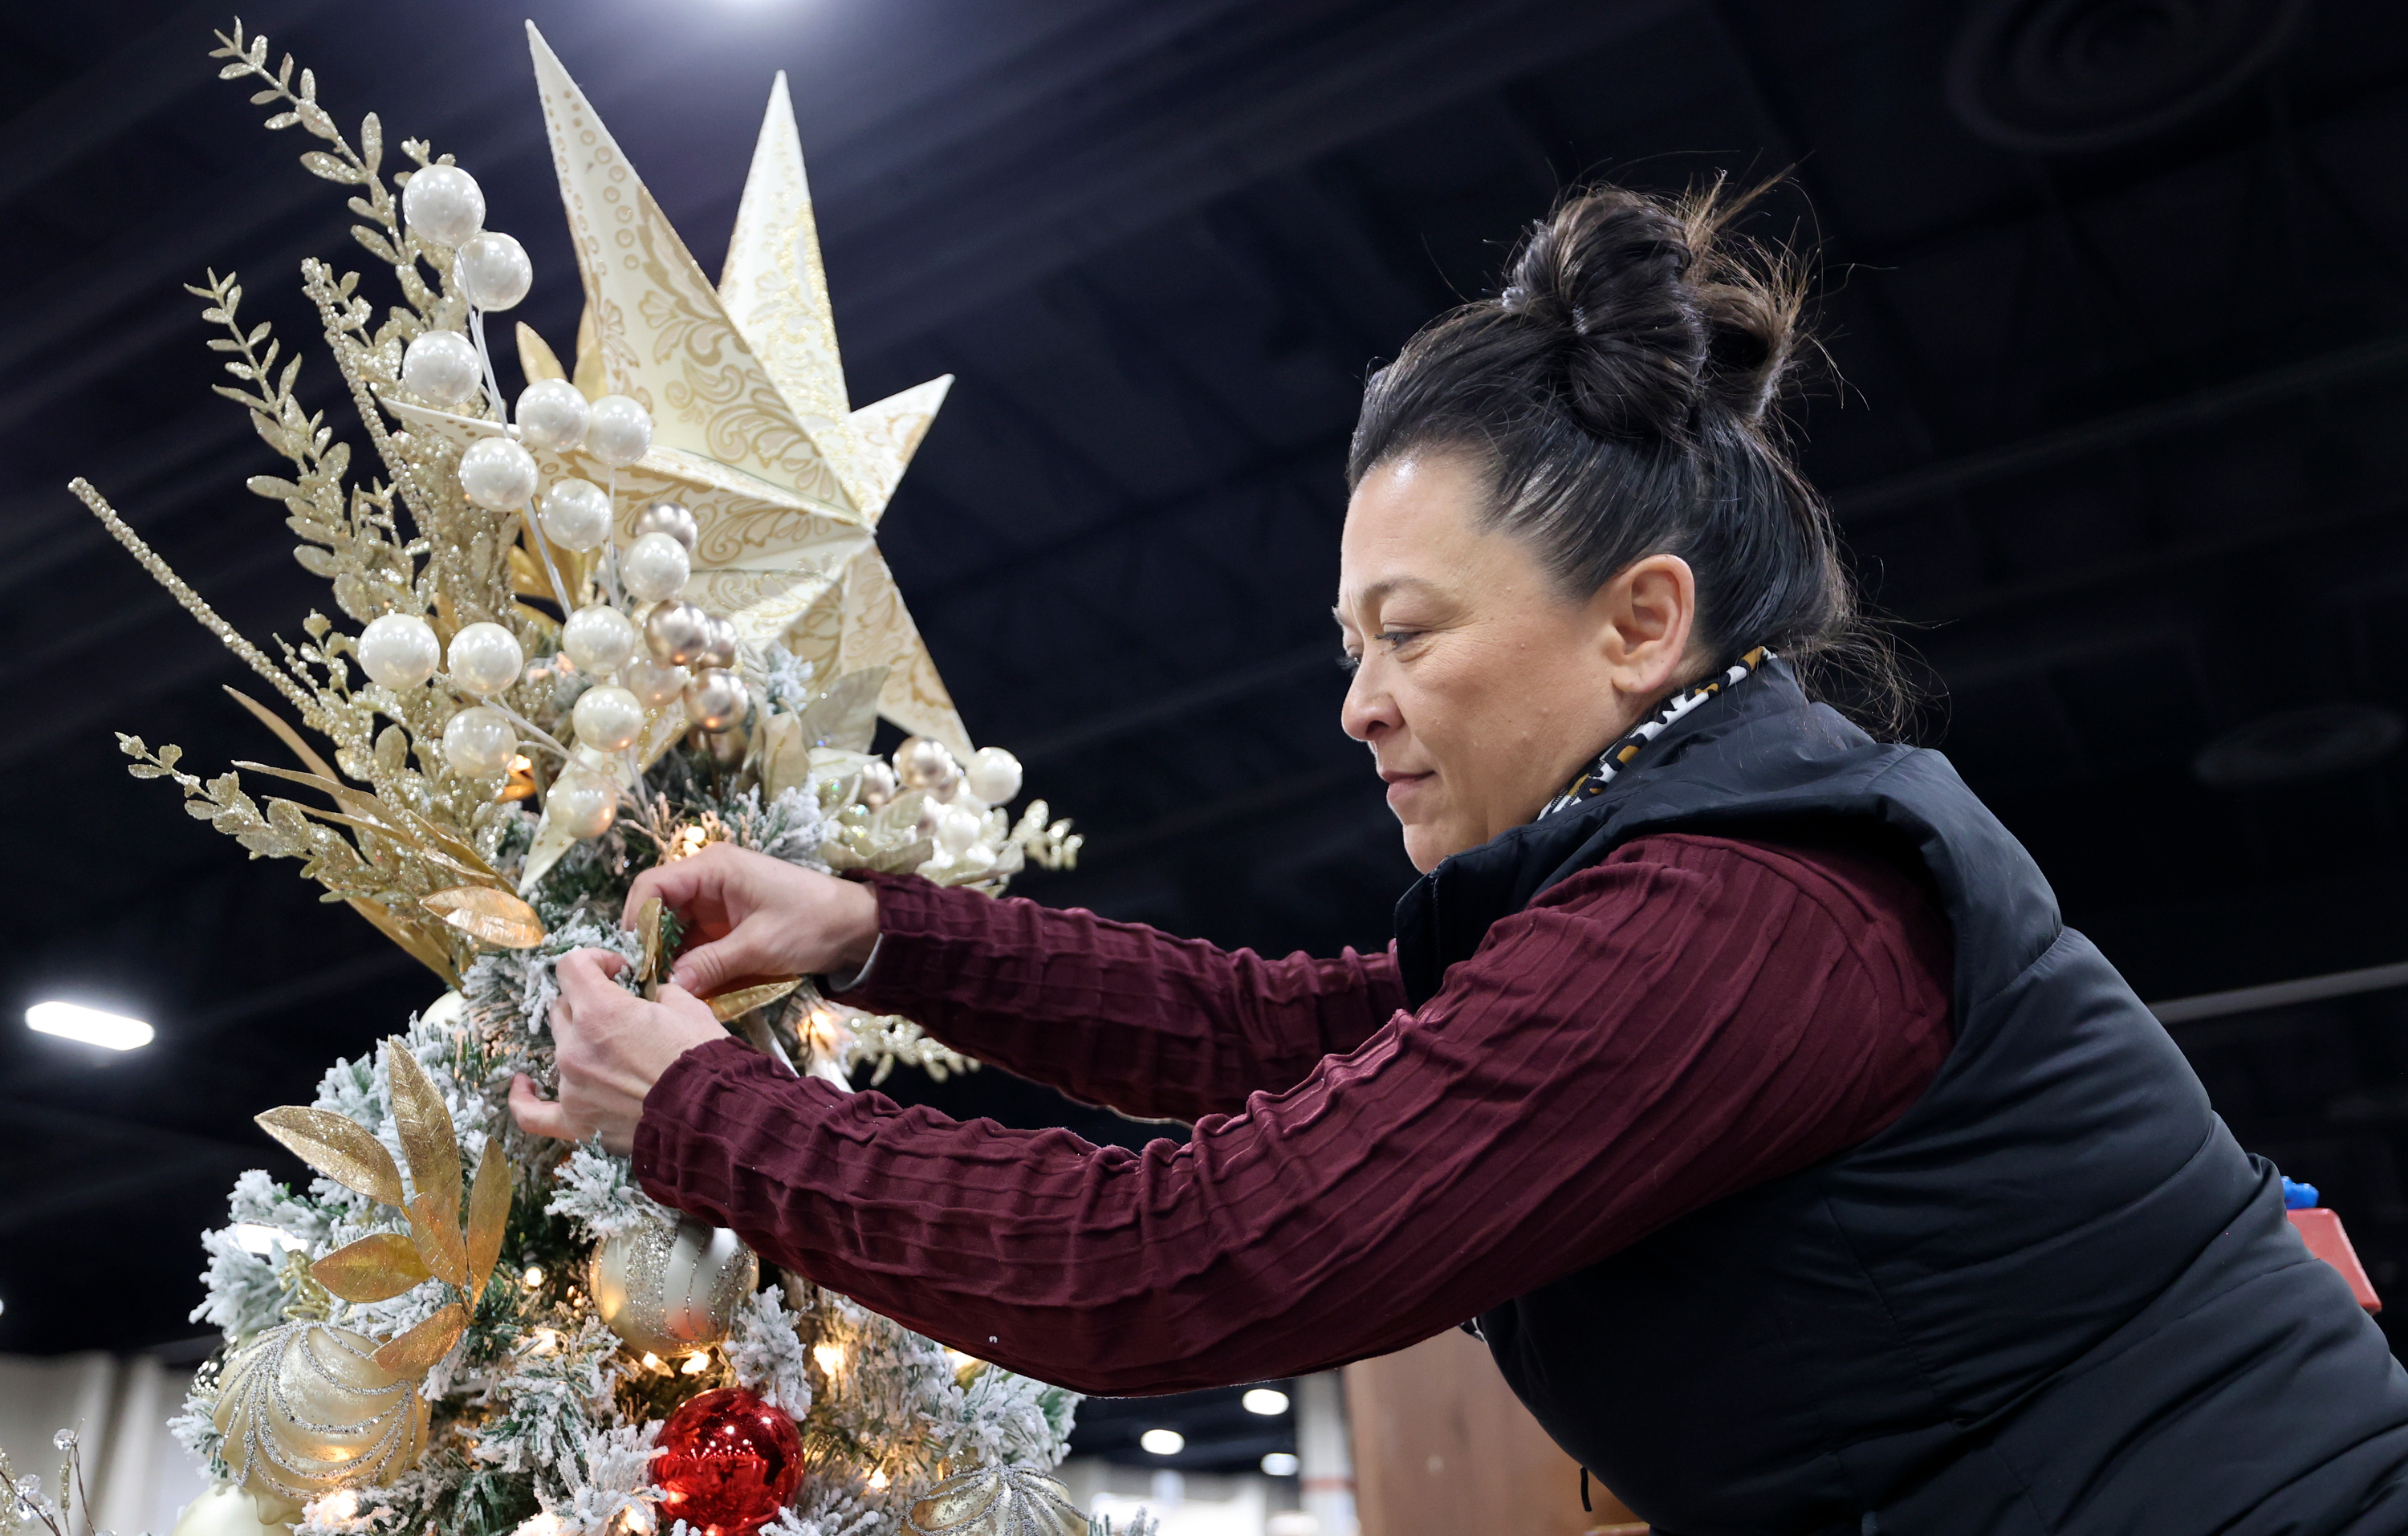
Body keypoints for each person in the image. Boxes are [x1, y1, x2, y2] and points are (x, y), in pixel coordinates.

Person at [510, 181, 2408, 1534]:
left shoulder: (1735, 917)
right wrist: (873, 932)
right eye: (1350, 646)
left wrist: (703, 1117)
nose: (1360, 704)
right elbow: (1294, 1029)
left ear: (1641, 623)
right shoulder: (1697, 852)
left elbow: (1177, 1264)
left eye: (1408, 634)